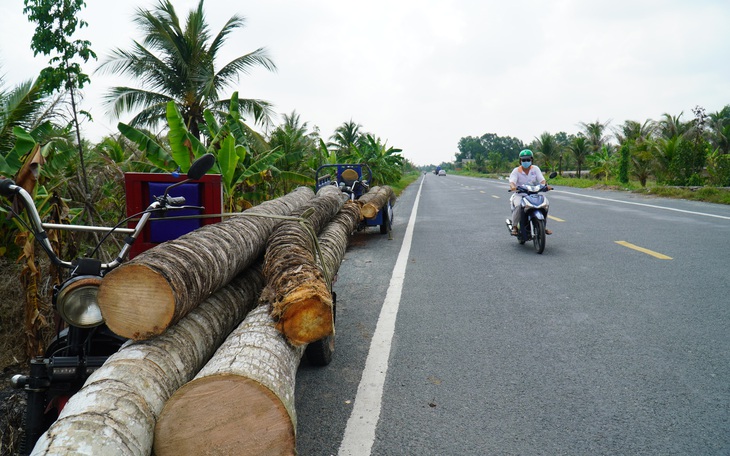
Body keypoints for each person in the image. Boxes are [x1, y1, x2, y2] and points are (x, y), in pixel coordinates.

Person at [508, 149, 552, 235]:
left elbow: (542, 180)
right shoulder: (516, 171)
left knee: (545, 205)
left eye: (528, 159)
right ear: (520, 161)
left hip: (534, 194)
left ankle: (543, 226)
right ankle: (514, 226)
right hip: (520, 194)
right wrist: (513, 187)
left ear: (532, 160)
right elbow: (512, 182)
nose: (526, 161)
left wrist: (545, 186)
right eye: (523, 160)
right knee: (518, 206)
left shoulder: (535, 169)